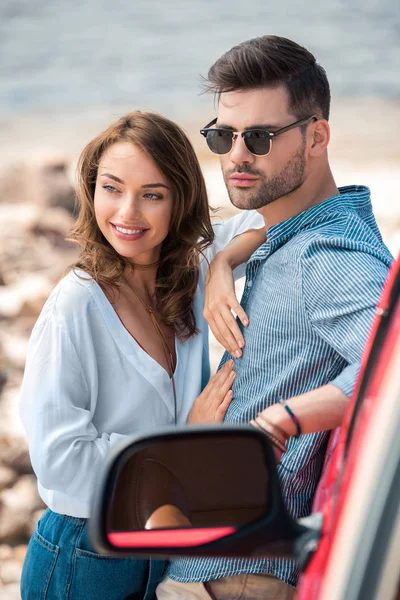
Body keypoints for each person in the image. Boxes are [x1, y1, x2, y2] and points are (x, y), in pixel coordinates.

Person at [157, 35, 394, 600]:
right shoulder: (303, 235)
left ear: (317, 136)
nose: (237, 155)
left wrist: (279, 421)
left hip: (238, 577)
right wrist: (222, 262)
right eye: (222, 136)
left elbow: (390, 369)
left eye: (260, 137)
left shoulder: (328, 258)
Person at [19, 111, 265, 600]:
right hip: (85, 554)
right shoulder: (76, 305)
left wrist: (222, 266)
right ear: (91, 191)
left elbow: (266, 220)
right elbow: (60, 462)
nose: (127, 213)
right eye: (112, 188)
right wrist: (182, 446)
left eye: (152, 194)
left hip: (162, 544)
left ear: (179, 201)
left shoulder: (188, 270)